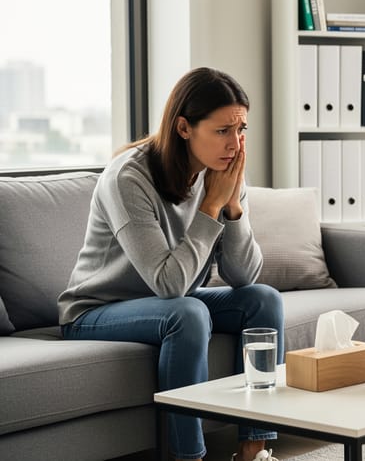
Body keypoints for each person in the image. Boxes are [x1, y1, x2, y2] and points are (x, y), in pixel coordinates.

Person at [57, 67, 285, 461]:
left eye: (241, 129)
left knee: (263, 300)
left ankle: (254, 448)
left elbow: (244, 275)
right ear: (184, 127)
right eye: (221, 131)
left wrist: (232, 207)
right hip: (95, 311)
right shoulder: (128, 177)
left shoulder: (222, 171)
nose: (235, 143)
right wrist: (211, 205)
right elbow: (169, 286)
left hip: (173, 302)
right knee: (188, 312)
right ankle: (188, 457)